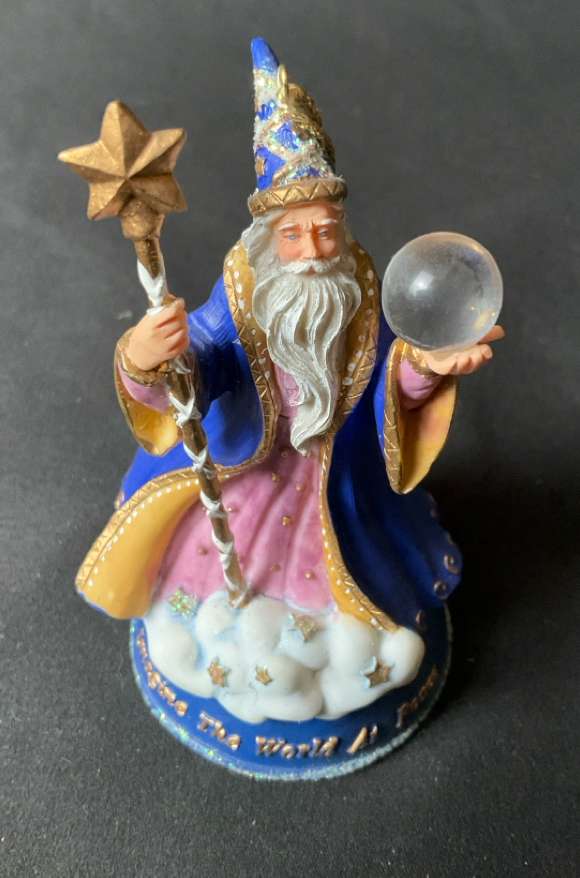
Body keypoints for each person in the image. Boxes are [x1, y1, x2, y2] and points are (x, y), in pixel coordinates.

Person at [76, 38, 503, 774]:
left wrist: (425, 371)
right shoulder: (244, 294)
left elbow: (386, 387)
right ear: (270, 238)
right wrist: (148, 357)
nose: (313, 249)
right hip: (246, 475)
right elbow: (199, 361)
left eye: (326, 230)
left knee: (361, 591)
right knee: (211, 586)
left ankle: (339, 656)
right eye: (295, 233)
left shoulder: (361, 293)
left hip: (335, 484)